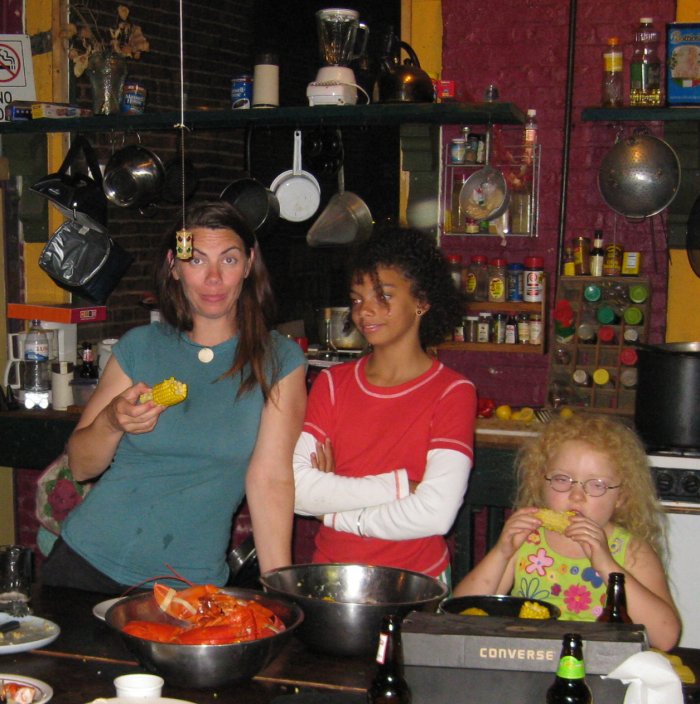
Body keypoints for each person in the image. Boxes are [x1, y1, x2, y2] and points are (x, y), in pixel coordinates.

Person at [41, 200, 307, 593]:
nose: (214, 278)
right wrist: (112, 420)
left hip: (187, 584)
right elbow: (81, 467)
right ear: (174, 266)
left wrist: (281, 591)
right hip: (83, 564)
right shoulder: (140, 347)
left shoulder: (279, 360)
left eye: (229, 260)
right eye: (196, 260)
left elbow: (270, 482)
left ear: (249, 264)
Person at [293, 226, 477, 582]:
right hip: (333, 573)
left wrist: (334, 512)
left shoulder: (453, 391)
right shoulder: (332, 383)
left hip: (416, 581)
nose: (365, 311)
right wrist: (399, 487)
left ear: (422, 301)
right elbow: (298, 491)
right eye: (357, 299)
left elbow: (436, 513)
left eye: (384, 296)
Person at [452, 413, 681, 651]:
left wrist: (607, 566)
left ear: (621, 497)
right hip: (530, 658)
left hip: (603, 662)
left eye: (597, 485)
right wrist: (502, 552)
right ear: (541, 483)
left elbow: (665, 638)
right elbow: (459, 616)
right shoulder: (527, 541)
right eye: (562, 479)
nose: (576, 495)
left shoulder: (632, 552)